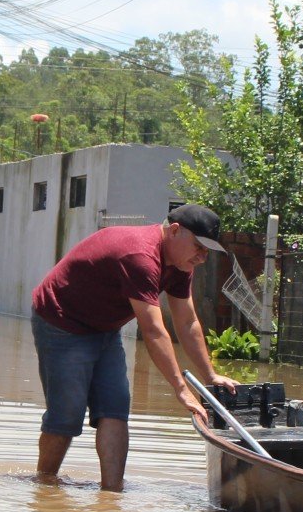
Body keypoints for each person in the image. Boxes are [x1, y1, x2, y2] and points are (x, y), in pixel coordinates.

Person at [31, 203, 234, 490]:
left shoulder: (179, 265)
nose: (203, 257)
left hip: (105, 327)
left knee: (115, 407)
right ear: (175, 231)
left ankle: (112, 495)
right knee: (67, 414)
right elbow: (153, 331)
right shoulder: (140, 256)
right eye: (200, 247)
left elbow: (186, 322)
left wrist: (210, 375)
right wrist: (180, 388)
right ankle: (44, 487)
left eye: (207, 250)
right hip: (62, 321)